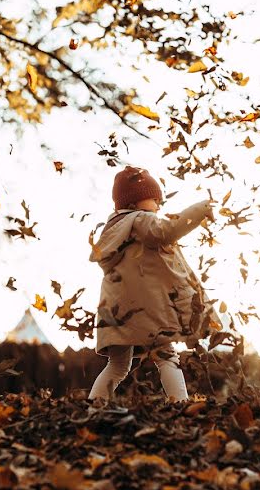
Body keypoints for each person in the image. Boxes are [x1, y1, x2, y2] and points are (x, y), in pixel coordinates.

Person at [88, 166, 221, 401]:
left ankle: (93, 406)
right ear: (135, 201)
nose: (159, 206)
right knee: (167, 356)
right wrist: (199, 211)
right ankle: (180, 404)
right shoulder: (140, 220)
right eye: (154, 199)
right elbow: (166, 231)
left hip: (117, 312)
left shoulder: (116, 229)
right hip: (145, 310)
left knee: (118, 365)